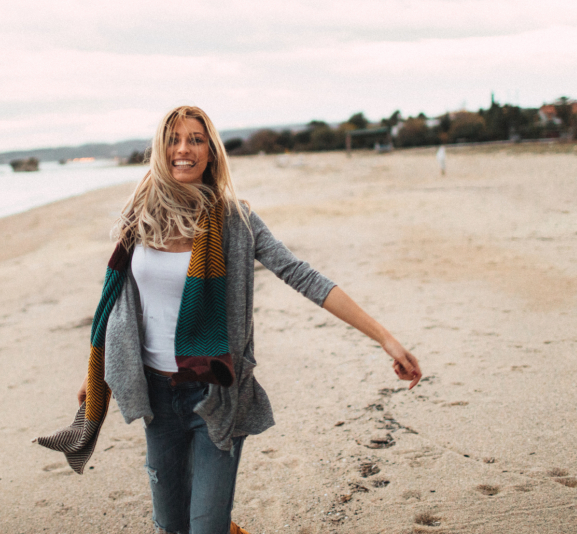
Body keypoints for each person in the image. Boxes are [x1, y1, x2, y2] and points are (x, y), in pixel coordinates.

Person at [36, 106, 421, 534]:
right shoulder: (139, 219)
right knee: (170, 526)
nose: (184, 149)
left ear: (211, 152)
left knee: (207, 528)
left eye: (196, 139)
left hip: (215, 391)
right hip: (158, 396)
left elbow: (301, 275)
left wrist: (384, 338)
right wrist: (98, 371)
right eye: (173, 139)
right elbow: (121, 306)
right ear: (161, 150)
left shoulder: (236, 222)